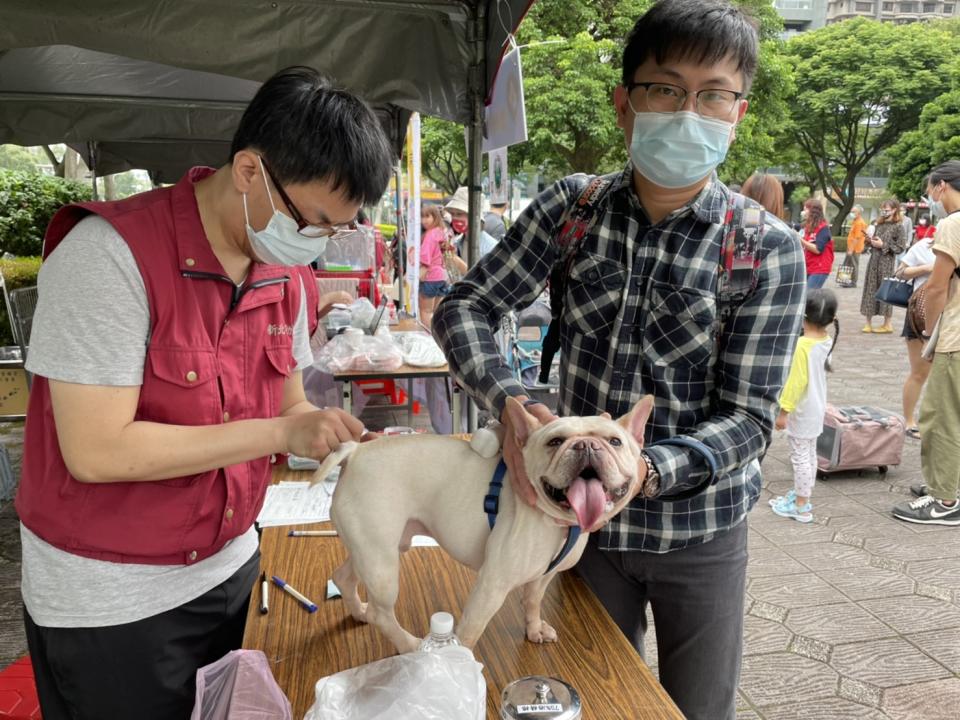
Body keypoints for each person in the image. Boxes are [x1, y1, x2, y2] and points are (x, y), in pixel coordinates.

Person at [432, 1, 806, 717]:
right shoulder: (572, 211)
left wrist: (640, 468)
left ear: (738, 113)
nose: (687, 111)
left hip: (700, 531)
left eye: (713, 95)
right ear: (625, 104)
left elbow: (753, 420)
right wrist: (508, 397)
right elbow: (464, 307)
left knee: (696, 707)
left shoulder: (765, 248)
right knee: (593, 694)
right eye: (664, 89)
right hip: (569, 534)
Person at [14, 67, 393, 719]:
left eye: (336, 231)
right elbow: (97, 451)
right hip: (114, 604)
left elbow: (290, 407)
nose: (315, 245)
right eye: (314, 222)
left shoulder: (283, 277)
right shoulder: (107, 256)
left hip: (233, 570)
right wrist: (280, 435)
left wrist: (325, 432)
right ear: (249, 171)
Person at [893, 161, 960, 524]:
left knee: (939, 417)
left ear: (941, 186)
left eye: (931, 189)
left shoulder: (953, 223)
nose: (931, 196)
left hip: (956, 335)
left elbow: (936, 286)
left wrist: (929, 329)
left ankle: (945, 500)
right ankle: (949, 482)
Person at [770, 289, 838, 523]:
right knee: (809, 454)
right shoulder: (826, 341)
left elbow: (796, 382)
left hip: (802, 410)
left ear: (802, 315)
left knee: (799, 456)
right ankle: (803, 496)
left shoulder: (802, 346)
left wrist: (783, 412)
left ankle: (800, 505)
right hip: (817, 407)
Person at [896, 230, 936, 439]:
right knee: (920, 372)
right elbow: (900, 272)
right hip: (920, 315)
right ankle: (909, 420)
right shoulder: (925, 246)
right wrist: (927, 268)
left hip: (952, 316)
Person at [860, 198, 907, 333]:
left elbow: (901, 247)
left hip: (887, 262)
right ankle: (868, 322)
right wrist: (869, 240)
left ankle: (887, 323)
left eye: (886, 209)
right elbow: (867, 244)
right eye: (882, 209)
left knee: (886, 290)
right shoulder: (877, 224)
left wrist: (883, 245)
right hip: (873, 260)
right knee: (870, 288)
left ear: (894, 210)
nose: (884, 212)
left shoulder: (899, 226)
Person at [416, 204, 450, 325]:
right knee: (437, 314)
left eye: (427, 216)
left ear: (435, 217)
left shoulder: (430, 234)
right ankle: (438, 341)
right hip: (443, 277)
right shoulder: (443, 232)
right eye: (422, 217)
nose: (423, 220)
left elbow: (425, 259)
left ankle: (430, 340)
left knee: (426, 312)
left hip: (430, 277)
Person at [799, 197, 834, 289]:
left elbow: (818, 249)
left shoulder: (823, 228)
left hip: (820, 268)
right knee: (804, 296)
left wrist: (801, 240)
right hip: (809, 266)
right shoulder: (808, 226)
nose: (803, 212)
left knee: (809, 295)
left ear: (812, 211)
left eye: (805, 209)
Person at [844, 204, 868, 287]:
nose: (852, 213)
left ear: (859, 213)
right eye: (851, 211)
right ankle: (845, 280)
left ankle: (853, 282)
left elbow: (857, 238)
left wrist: (851, 249)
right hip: (851, 247)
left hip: (855, 248)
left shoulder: (859, 223)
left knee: (853, 265)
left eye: (854, 212)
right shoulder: (855, 221)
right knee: (848, 264)